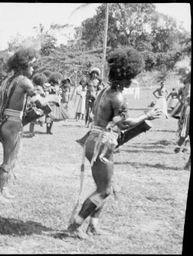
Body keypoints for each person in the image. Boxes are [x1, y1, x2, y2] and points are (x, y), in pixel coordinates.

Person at [67, 48, 162, 239]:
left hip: (95, 139)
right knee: (105, 189)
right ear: (125, 76)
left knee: (106, 185)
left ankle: (93, 225)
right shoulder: (117, 96)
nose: (132, 81)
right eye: (131, 77)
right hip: (101, 144)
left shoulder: (105, 91)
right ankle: (75, 226)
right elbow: (125, 123)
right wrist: (147, 115)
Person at [0, 47, 50, 203]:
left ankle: (4, 189)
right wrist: (51, 103)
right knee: (9, 159)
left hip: (5, 122)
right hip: (13, 124)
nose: (33, 69)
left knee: (12, 158)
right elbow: (39, 102)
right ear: (23, 66)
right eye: (31, 66)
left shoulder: (8, 80)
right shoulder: (24, 81)